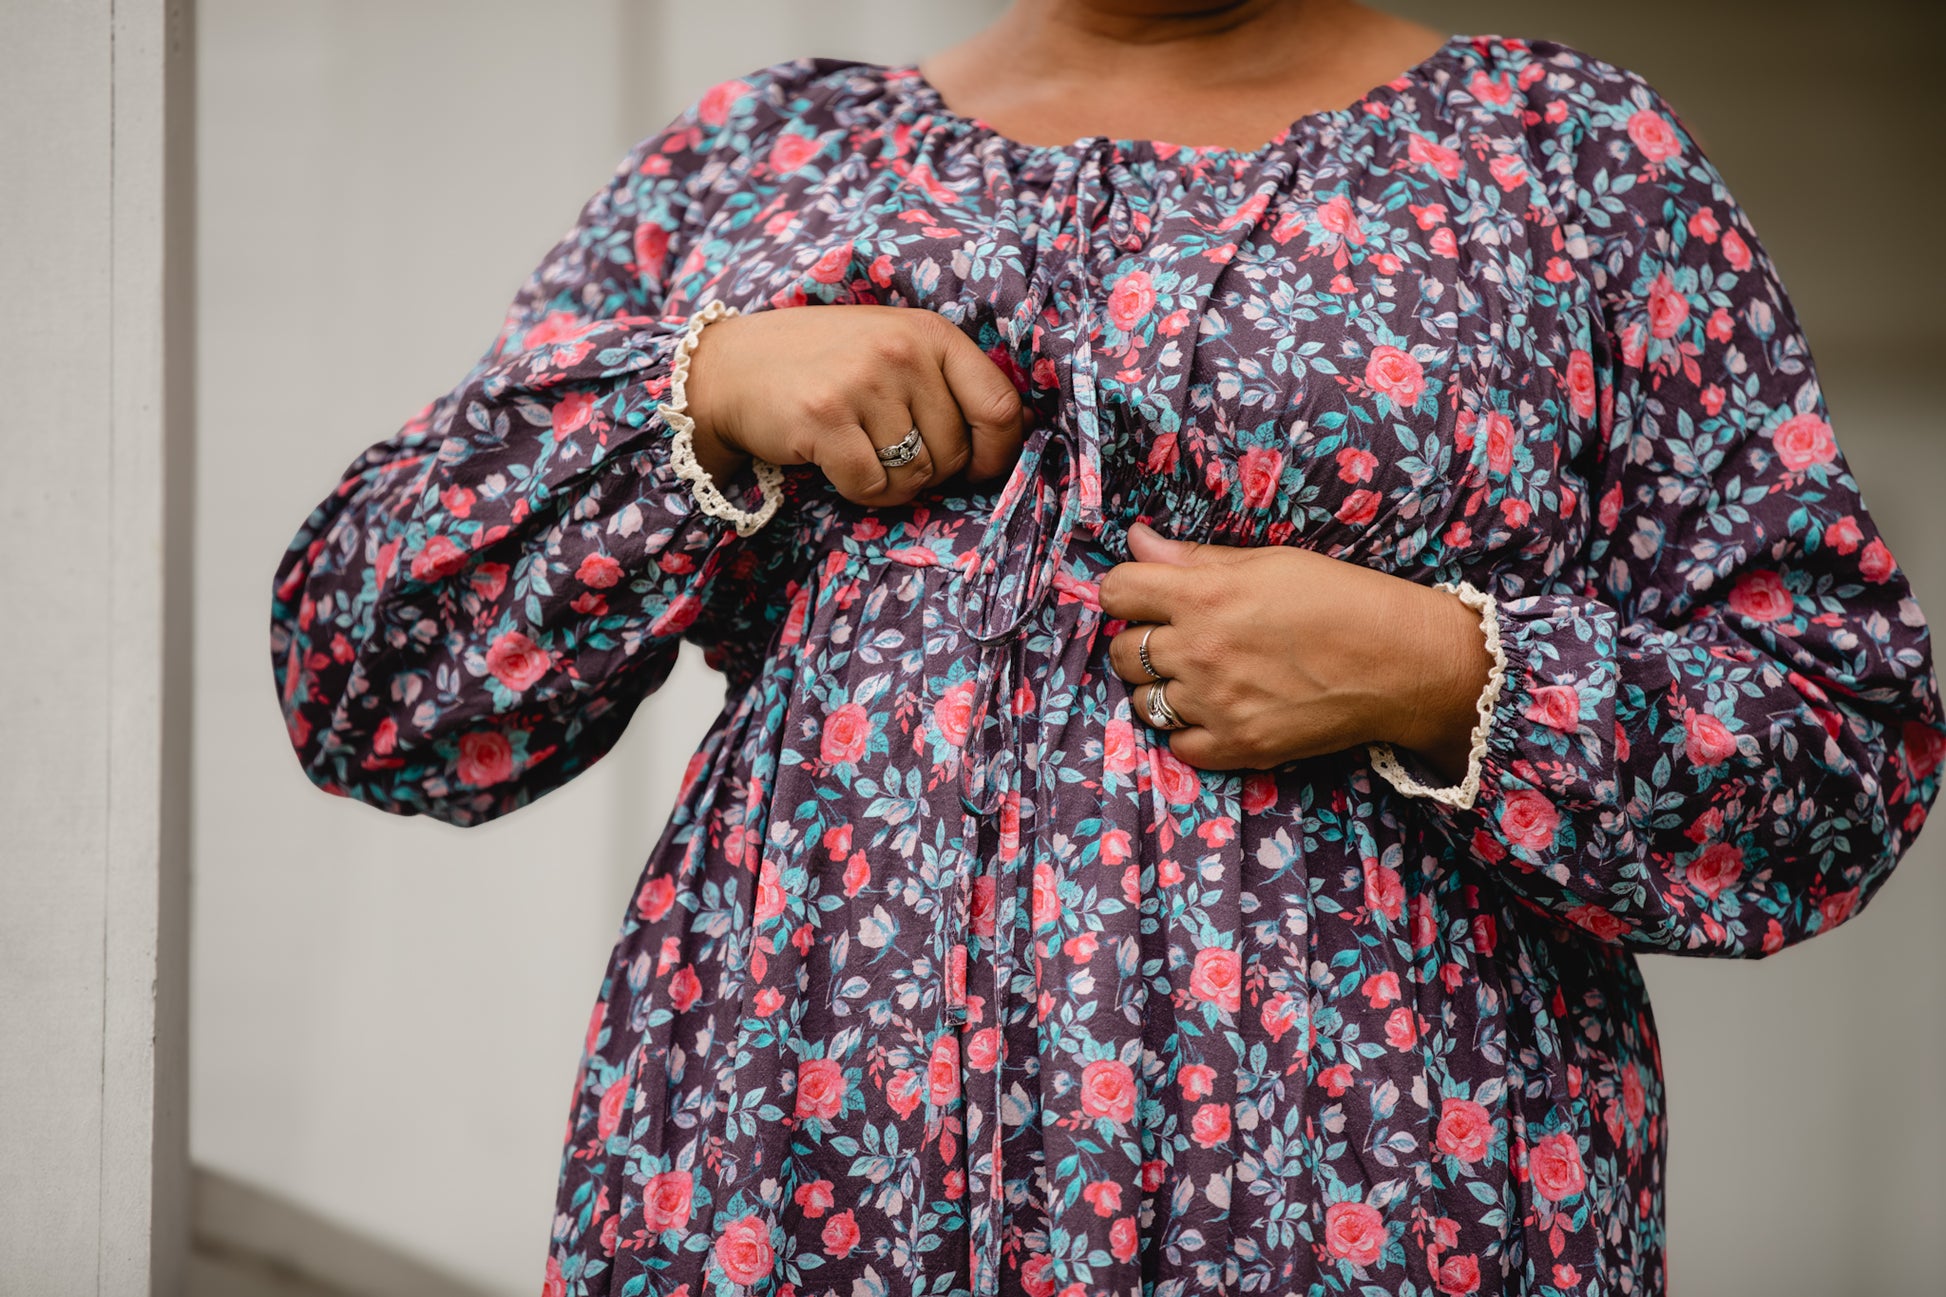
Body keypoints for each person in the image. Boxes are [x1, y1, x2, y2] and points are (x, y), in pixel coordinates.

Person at [268, 1, 1945, 1292]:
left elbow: (1840, 743)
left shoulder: (1565, 157)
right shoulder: (768, 163)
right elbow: (373, 682)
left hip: (1377, 1221)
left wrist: (1450, 674)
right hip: (785, 1205)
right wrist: (701, 402)